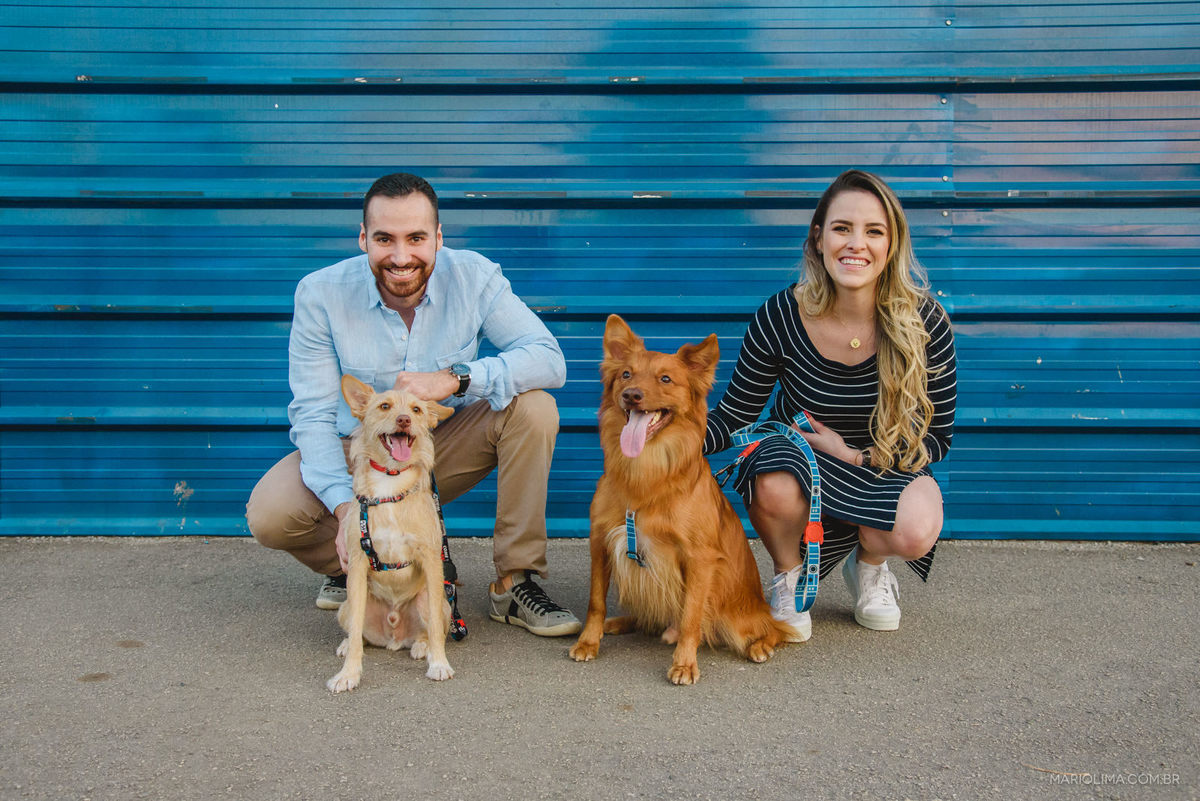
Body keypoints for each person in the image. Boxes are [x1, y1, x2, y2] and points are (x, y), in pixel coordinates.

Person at [246, 172, 581, 637]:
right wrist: (346, 513)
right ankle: (365, 566)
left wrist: (456, 378)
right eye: (385, 239)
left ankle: (514, 582)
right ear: (363, 238)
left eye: (416, 238)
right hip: (362, 452)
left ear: (438, 237)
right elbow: (314, 415)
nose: (401, 257)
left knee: (535, 408)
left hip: (441, 443)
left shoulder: (474, 277)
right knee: (271, 513)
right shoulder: (321, 293)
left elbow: (548, 359)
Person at [704, 169, 957, 638]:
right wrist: (669, 438)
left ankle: (870, 565)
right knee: (772, 480)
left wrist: (854, 455)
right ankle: (789, 575)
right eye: (842, 228)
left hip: (880, 461)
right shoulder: (780, 315)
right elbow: (736, 414)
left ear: (892, 244)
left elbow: (937, 438)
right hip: (798, 458)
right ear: (819, 238)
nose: (856, 244)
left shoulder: (925, 322)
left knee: (917, 528)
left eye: (874, 231)